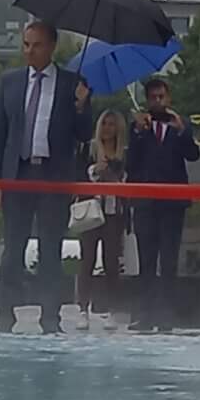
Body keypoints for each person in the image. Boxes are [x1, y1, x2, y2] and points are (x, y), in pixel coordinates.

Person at [0, 20, 93, 334]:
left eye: (36, 45)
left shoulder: (72, 82)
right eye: (26, 44)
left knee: (51, 249)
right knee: (13, 248)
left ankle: (51, 319)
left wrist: (82, 105)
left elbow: (84, 134)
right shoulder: (10, 81)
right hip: (17, 173)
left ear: (51, 47)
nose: (29, 51)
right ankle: (4, 316)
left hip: (53, 175)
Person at [124, 75, 200, 332]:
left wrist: (182, 131)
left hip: (172, 204)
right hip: (145, 204)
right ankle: (144, 314)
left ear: (169, 98)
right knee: (146, 260)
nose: (158, 101)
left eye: (162, 96)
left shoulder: (181, 124)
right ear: (147, 100)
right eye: (153, 97)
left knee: (169, 260)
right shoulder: (138, 127)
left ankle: (166, 314)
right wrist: (138, 133)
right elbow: (131, 164)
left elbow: (193, 155)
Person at [80, 110, 131, 313]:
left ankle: (111, 309)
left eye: (112, 124)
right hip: (90, 210)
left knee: (111, 261)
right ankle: (83, 308)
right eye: (104, 124)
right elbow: (78, 173)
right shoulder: (89, 149)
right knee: (87, 260)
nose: (107, 128)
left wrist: (116, 177)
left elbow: (128, 180)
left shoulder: (124, 153)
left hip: (113, 212)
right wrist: (95, 172)